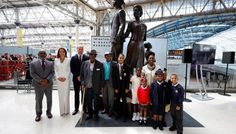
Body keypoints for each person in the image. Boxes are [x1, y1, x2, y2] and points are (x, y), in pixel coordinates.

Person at [30, 50, 55, 122]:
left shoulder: (50, 63)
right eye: (41, 53)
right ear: (38, 54)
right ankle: (38, 114)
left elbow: (52, 72)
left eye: (44, 53)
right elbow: (32, 73)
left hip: (48, 84)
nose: (42, 54)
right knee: (38, 100)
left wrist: (47, 80)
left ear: (46, 55)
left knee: (49, 99)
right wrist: (40, 80)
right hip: (38, 84)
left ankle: (49, 112)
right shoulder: (33, 63)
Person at [80, 50, 104, 121]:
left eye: (94, 55)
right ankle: (90, 114)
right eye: (91, 55)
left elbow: (102, 77)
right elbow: (81, 75)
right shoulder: (84, 64)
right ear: (89, 55)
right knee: (88, 102)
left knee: (96, 102)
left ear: (95, 56)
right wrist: (83, 83)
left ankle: (96, 114)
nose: (92, 56)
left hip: (96, 87)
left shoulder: (100, 64)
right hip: (87, 87)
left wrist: (102, 87)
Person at [70, 46, 89, 115]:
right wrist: (77, 76)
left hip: (84, 80)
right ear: (77, 50)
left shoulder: (87, 58)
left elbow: (87, 69)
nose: (80, 50)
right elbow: (72, 69)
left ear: (83, 50)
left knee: (84, 94)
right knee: (76, 94)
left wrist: (82, 77)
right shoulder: (73, 58)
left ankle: (84, 108)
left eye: (82, 49)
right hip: (76, 79)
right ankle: (76, 109)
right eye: (79, 49)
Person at [113, 54, 131, 122]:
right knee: (117, 101)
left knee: (124, 101)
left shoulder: (127, 66)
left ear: (124, 59)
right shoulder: (115, 66)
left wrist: (127, 88)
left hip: (124, 87)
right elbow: (113, 78)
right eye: (120, 58)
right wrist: (115, 88)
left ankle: (124, 115)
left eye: (122, 58)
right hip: (117, 87)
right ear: (118, 58)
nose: (121, 59)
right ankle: (118, 114)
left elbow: (128, 78)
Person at [54, 48, 71, 116]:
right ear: (58, 53)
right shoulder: (56, 60)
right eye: (60, 52)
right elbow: (55, 70)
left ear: (65, 52)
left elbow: (69, 70)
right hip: (59, 80)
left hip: (66, 80)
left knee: (66, 95)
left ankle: (66, 110)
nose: (62, 53)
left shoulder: (68, 60)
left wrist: (65, 77)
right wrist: (58, 77)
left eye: (63, 52)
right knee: (60, 95)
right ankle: (62, 111)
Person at [101, 52, 116, 117]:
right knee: (104, 97)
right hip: (104, 83)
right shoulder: (102, 64)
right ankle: (105, 109)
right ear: (105, 57)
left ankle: (110, 110)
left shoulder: (114, 64)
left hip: (111, 83)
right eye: (106, 56)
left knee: (111, 98)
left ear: (111, 57)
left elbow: (116, 75)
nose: (108, 57)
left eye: (109, 56)